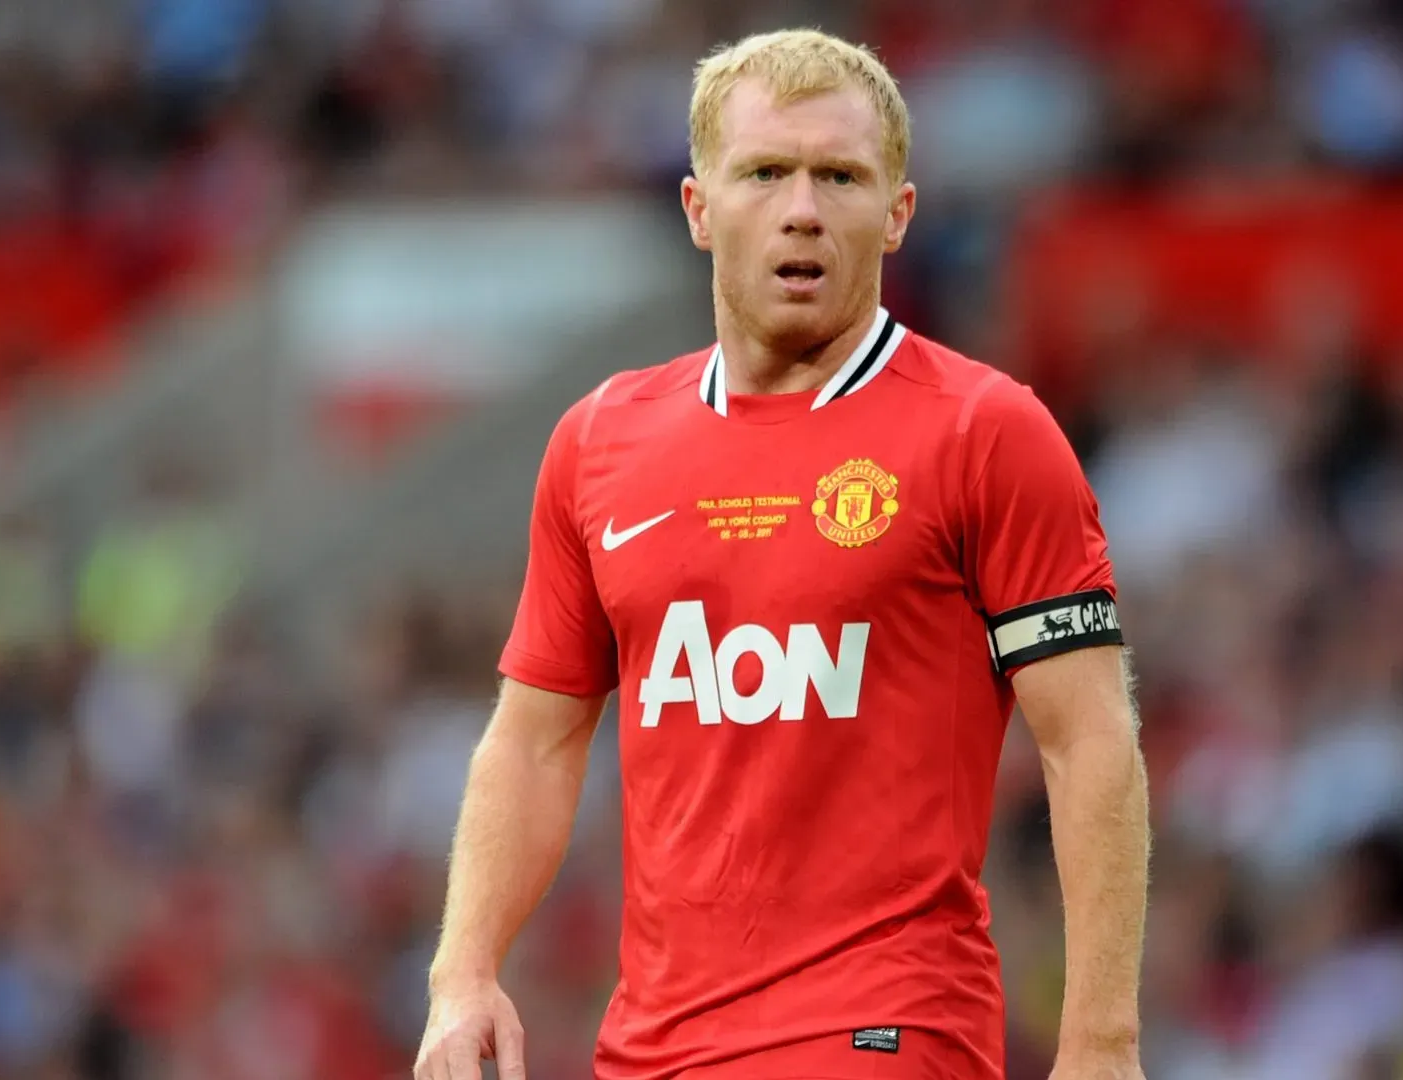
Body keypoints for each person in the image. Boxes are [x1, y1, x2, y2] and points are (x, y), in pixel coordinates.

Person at [414, 27, 1150, 1080]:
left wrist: (1100, 1043)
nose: (802, 207)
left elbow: (1090, 740)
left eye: (839, 177)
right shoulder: (599, 441)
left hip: (888, 1035)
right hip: (653, 1051)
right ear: (699, 210)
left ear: (897, 216)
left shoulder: (986, 433)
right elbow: (534, 741)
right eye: (765, 172)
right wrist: (463, 976)